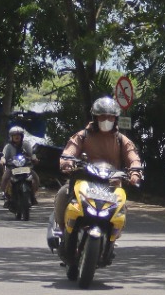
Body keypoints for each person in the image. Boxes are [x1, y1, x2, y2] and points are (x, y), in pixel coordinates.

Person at [50, 96, 144, 237]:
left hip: (111, 185)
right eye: (102, 117)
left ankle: (111, 239)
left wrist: (135, 173)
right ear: (95, 118)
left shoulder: (121, 140)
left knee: (122, 208)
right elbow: (69, 151)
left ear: (116, 119)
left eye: (110, 117)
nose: (107, 120)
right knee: (64, 193)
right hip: (83, 180)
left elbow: (133, 158)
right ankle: (62, 229)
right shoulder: (83, 136)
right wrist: (67, 162)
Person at [0, 125, 36, 204]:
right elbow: (4, 156)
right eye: (15, 135)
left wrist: (34, 158)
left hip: (25, 167)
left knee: (35, 178)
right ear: (11, 137)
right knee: (5, 177)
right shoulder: (8, 146)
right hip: (12, 167)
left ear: (22, 136)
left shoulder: (26, 144)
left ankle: (33, 195)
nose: (17, 137)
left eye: (19, 135)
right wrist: (2, 161)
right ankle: (4, 193)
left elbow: (32, 154)